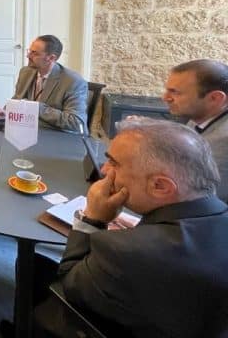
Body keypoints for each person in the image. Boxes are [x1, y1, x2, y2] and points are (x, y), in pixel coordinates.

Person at [45, 119, 228, 338]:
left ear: (160, 186)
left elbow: (70, 283)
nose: (104, 170)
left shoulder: (125, 250)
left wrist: (92, 219)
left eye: (114, 163)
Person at [0, 35, 87, 132]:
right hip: (28, 131)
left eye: (34, 53)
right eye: (29, 51)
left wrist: (35, 107)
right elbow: (17, 99)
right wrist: (6, 113)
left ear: (51, 58)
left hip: (57, 134)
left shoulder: (73, 81)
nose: (28, 56)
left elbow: (76, 122)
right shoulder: (25, 72)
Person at [163, 59, 228, 202]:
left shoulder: (224, 140)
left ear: (215, 98)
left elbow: (200, 198)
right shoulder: (199, 116)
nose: (165, 98)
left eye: (175, 92)